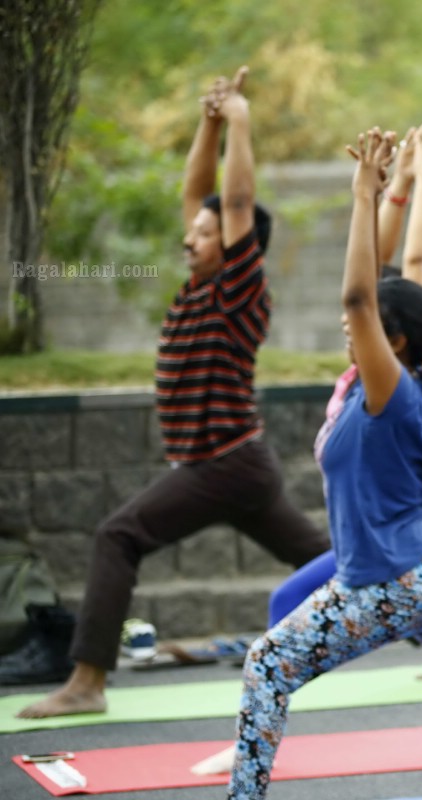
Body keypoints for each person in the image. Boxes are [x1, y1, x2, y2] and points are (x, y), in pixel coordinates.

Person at [225, 128, 422, 799]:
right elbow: (382, 286)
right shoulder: (402, 381)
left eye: (368, 326)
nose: (351, 328)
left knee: (267, 663)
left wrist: (362, 198)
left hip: (396, 579)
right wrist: (395, 186)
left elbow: (358, 299)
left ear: (394, 339)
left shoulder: (392, 390)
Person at [17, 67, 330, 720]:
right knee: (332, 563)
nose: (191, 236)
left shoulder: (240, 289)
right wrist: (209, 123)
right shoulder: (198, 283)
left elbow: (234, 201)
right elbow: (200, 194)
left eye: (206, 233)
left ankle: (87, 682)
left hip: (222, 462)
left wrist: (241, 121)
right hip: (235, 465)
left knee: (116, 536)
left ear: (238, 245)